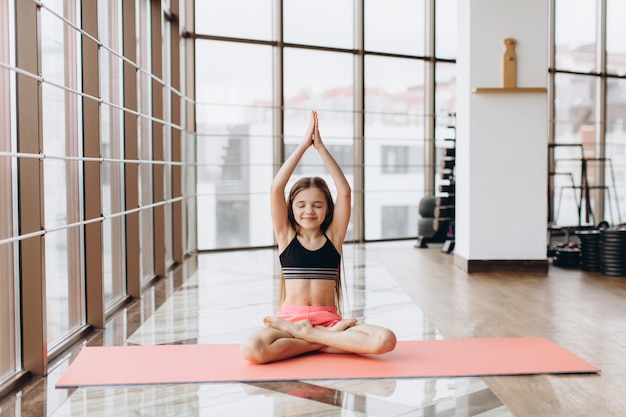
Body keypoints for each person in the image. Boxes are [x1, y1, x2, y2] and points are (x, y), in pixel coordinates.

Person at [240, 110, 397, 364]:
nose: (308, 211)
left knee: (385, 340)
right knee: (251, 349)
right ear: (291, 208)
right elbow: (276, 188)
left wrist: (321, 148)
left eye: (317, 205)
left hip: (329, 320)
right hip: (289, 320)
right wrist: (303, 146)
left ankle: (309, 337)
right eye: (301, 205)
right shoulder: (286, 235)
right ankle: (323, 341)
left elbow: (344, 191)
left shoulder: (333, 237)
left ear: (328, 209)